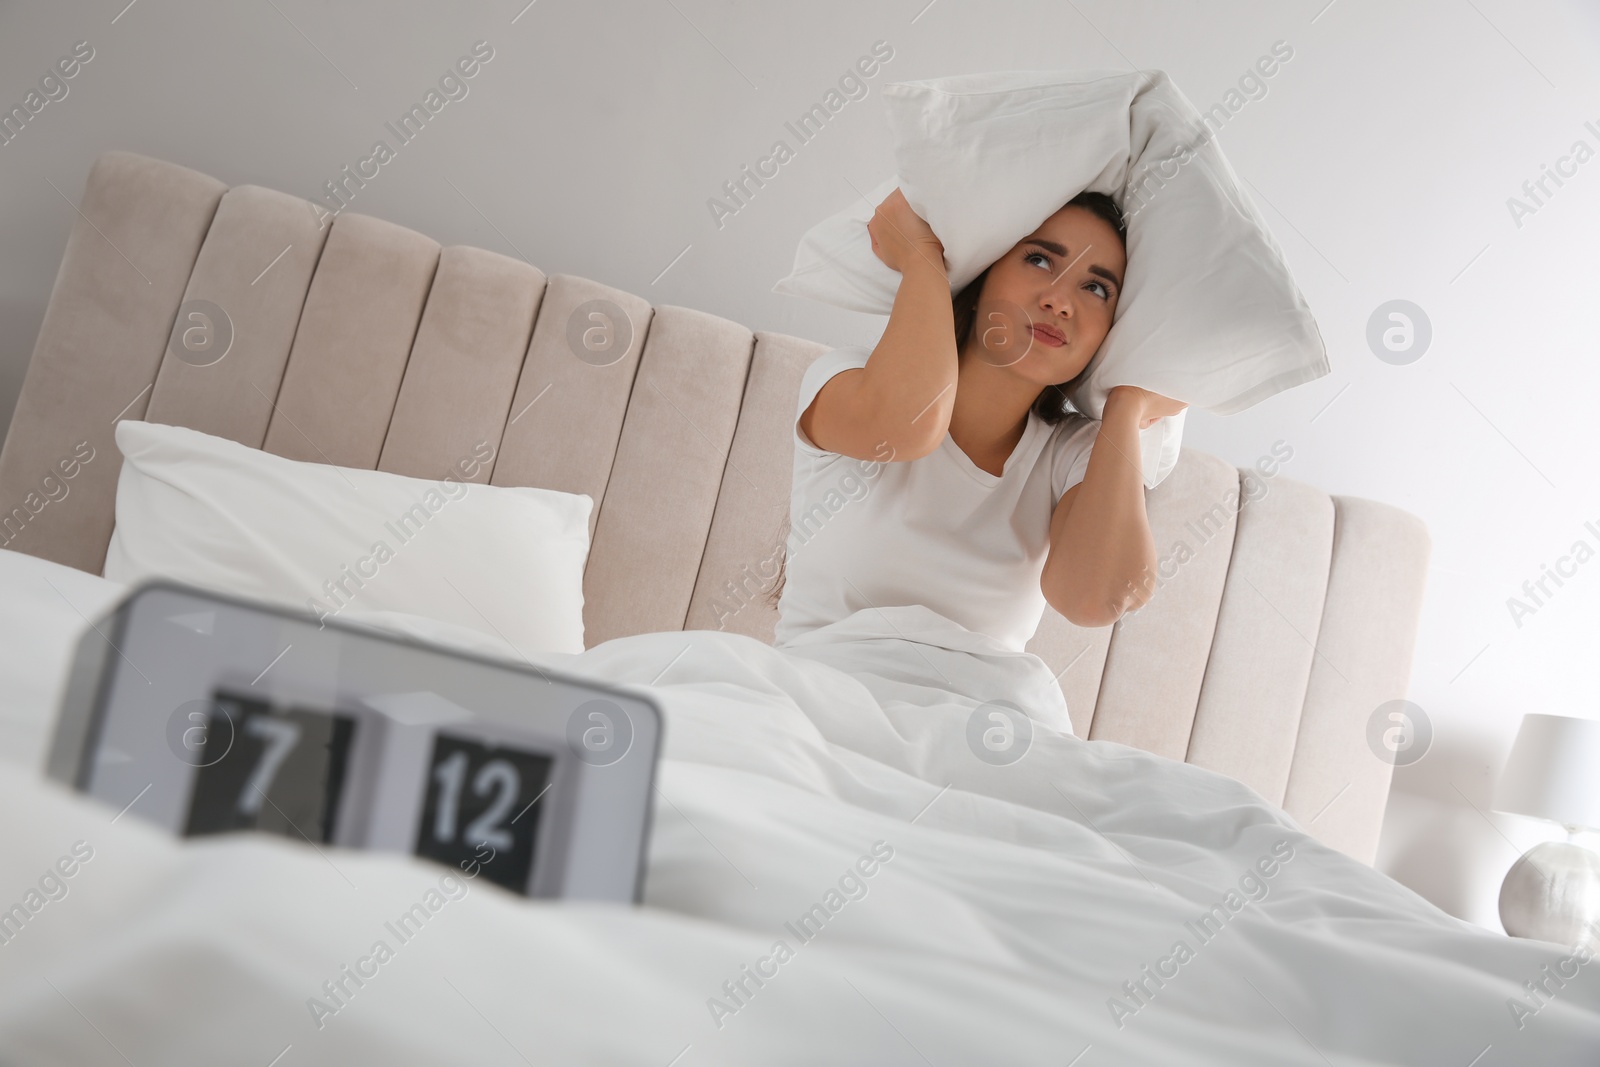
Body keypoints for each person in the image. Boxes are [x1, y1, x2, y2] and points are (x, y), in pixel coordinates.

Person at [769, 187, 1187, 654]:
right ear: (984, 274)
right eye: (1040, 260)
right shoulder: (844, 380)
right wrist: (922, 258)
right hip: (812, 698)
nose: (1060, 301)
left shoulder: (1075, 454)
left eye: (1095, 288)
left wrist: (1127, 404)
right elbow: (911, 422)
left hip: (979, 719)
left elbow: (1094, 600)